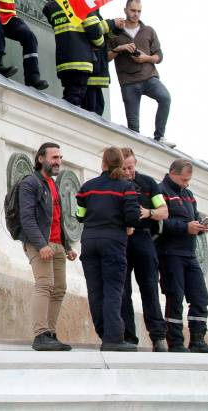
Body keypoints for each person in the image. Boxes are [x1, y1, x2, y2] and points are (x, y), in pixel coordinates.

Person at [74, 145, 145, 351]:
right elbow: (132, 216)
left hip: (89, 241)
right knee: (114, 290)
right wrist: (127, 224)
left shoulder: (88, 187)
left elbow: (79, 215)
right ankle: (113, 338)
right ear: (121, 165)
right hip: (113, 242)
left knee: (95, 290)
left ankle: (104, 333)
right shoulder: (125, 188)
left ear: (103, 163)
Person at [17, 141, 78, 351]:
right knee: (44, 285)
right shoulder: (30, 183)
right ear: (41, 159)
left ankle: (51, 334)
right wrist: (41, 244)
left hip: (57, 244)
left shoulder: (52, 183)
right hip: (40, 244)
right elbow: (27, 218)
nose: (58, 162)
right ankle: (40, 334)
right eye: (54, 158)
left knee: (59, 289)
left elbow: (57, 217)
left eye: (60, 158)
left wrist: (67, 245)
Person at [156, 158, 208, 353]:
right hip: (170, 253)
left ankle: (198, 339)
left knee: (200, 297)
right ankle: (175, 342)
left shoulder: (189, 195)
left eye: (188, 180)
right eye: (183, 179)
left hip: (189, 254)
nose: (186, 183)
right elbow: (158, 223)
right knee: (175, 297)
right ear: (172, 173)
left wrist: (200, 226)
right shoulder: (160, 192)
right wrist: (185, 227)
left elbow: (194, 217)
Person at [120, 148, 171, 352]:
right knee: (123, 291)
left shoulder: (148, 183)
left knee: (149, 288)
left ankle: (158, 337)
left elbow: (164, 212)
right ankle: (128, 337)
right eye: (123, 168)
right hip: (121, 240)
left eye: (130, 167)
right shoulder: (114, 183)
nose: (127, 172)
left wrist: (148, 212)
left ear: (136, 163)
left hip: (143, 238)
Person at [108, 0, 174, 147]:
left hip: (149, 77)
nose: (136, 14)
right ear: (125, 10)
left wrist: (146, 58)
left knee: (165, 98)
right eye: (133, 10)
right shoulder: (114, 32)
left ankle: (160, 136)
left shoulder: (148, 30)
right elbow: (106, 57)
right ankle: (135, 156)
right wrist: (120, 49)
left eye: (139, 11)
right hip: (128, 82)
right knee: (133, 128)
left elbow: (159, 56)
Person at [42, 0, 101, 109]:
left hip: (63, 61)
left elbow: (47, 10)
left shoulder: (53, 5)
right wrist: (100, 43)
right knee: (74, 100)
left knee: (70, 95)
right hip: (80, 61)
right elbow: (94, 31)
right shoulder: (83, 1)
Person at [84, 8, 111, 116]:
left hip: (95, 70)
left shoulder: (95, 13)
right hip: (90, 69)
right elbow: (94, 31)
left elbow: (102, 34)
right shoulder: (88, 11)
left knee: (98, 105)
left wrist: (115, 28)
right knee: (92, 108)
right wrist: (111, 24)